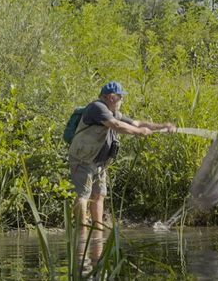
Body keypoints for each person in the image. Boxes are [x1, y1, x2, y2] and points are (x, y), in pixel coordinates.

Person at [68, 81, 176, 229]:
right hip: (83, 160)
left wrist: (163, 126)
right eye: (121, 97)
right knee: (83, 195)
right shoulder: (97, 107)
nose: (122, 101)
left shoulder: (113, 113)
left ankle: (97, 228)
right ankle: (81, 231)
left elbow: (137, 123)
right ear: (111, 97)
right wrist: (139, 133)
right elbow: (117, 126)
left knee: (99, 195)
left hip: (99, 163)